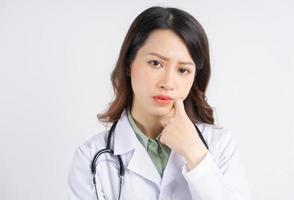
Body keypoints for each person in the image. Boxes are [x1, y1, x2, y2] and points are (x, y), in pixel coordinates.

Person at [68, 6, 252, 200]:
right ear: (129, 64)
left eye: (183, 70)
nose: (168, 83)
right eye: (156, 63)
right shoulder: (91, 158)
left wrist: (195, 154)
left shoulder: (219, 145)